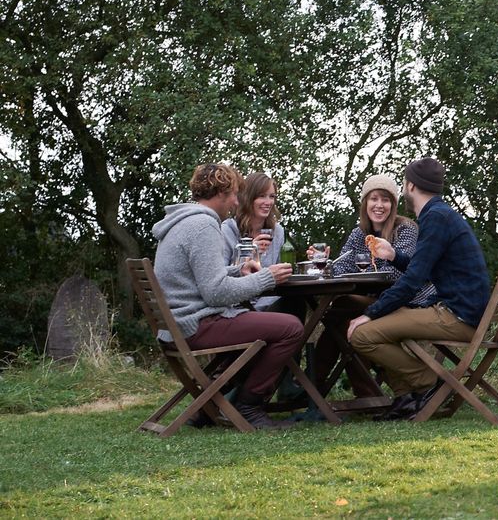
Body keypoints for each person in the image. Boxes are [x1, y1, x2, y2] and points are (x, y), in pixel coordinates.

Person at [152, 163, 301, 430]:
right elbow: (216, 293)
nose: (235, 202)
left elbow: (205, 276)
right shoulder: (203, 225)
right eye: (233, 194)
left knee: (264, 327)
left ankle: (208, 408)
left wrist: (238, 269)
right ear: (220, 193)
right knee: (290, 327)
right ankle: (249, 406)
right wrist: (266, 278)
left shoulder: (183, 221)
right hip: (196, 324)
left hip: (177, 324)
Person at [347, 157, 491, 421]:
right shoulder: (440, 214)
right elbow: (421, 267)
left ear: (410, 185)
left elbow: (413, 281)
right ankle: (405, 399)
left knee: (363, 334)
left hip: (457, 317)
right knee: (380, 324)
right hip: (462, 312)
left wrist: (370, 313)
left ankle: (431, 382)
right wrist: (394, 256)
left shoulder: (435, 218)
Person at [310, 174, 437, 397]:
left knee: (341, 308)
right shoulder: (359, 234)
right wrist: (326, 263)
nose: (379, 205)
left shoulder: (405, 229)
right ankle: (363, 392)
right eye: (374, 199)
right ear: (365, 203)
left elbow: (399, 272)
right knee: (344, 322)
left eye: (386, 200)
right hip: (375, 301)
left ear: (393, 205)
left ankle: (311, 384)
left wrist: (362, 273)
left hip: (408, 301)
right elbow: (340, 269)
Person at [221, 172, 286, 311]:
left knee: (295, 303)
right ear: (248, 198)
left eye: (272, 196)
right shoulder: (228, 229)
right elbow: (220, 275)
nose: (268, 202)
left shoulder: (277, 231)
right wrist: (248, 253)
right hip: (237, 305)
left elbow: (278, 273)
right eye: (262, 196)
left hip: (269, 300)